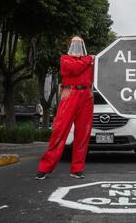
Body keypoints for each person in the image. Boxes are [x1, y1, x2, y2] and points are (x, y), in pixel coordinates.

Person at [35, 36, 94, 180]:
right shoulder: (66, 59)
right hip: (70, 93)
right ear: (70, 45)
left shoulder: (92, 61)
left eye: (79, 43)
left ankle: (77, 169)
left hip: (87, 94)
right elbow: (72, 69)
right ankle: (45, 168)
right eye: (74, 43)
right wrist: (89, 59)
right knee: (60, 131)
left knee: (83, 134)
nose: (77, 45)